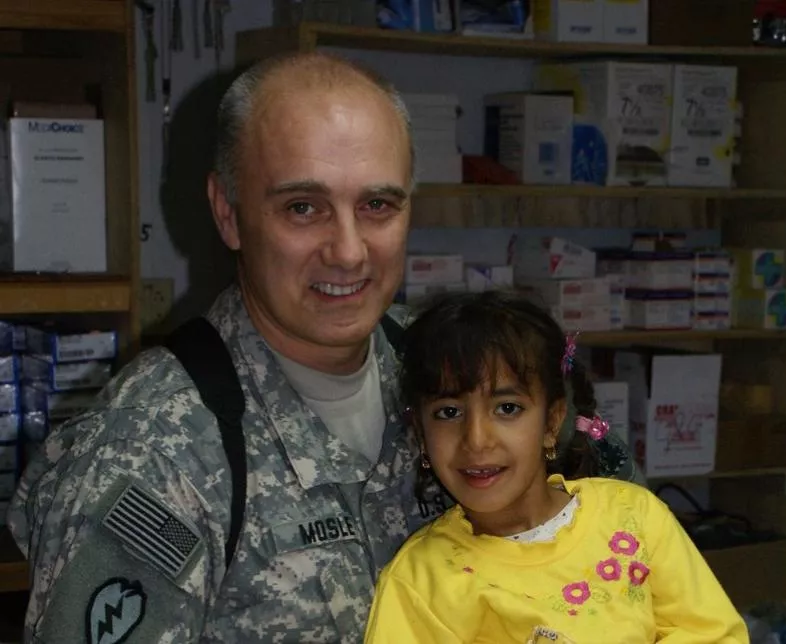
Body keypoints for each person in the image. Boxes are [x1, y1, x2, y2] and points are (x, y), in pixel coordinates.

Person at [6, 52, 638, 643]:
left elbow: (633, 540)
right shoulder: (150, 458)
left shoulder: (469, 368)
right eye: (304, 207)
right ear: (228, 213)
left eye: (377, 205)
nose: (349, 250)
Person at [364, 291, 749, 643]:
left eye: (507, 408)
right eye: (449, 412)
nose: (477, 440)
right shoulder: (419, 582)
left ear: (551, 423)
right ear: (422, 434)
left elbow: (715, 634)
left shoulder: (634, 517)